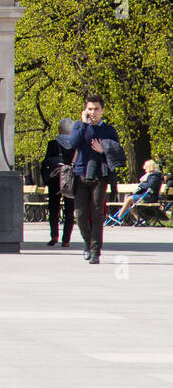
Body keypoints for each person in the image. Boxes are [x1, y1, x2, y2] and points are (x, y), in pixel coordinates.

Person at [68, 94, 124, 264]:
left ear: (102, 110)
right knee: (80, 214)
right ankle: (87, 242)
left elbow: (117, 151)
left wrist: (103, 149)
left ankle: (95, 251)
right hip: (81, 173)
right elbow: (73, 144)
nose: (93, 112)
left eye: (96, 109)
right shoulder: (80, 126)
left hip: (100, 174)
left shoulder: (108, 130)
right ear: (85, 110)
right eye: (89, 109)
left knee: (97, 213)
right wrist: (84, 124)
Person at [40, 119, 76, 247]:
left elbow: (46, 163)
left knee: (53, 208)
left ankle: (54, 235)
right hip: (70, 180)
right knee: (69, 209)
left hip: (55, 179)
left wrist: (45, 179)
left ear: (59, 130)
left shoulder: (52, 144)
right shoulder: (75, 144)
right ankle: (66, 239)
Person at [114, 159, 163, 225]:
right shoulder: (150, 176)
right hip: (145, 195)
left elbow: (150, 186)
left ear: (149, 167)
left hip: (150, 197)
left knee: (129, 199)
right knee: (130, 202)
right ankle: (139, 219)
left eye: (145, 167)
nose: (144, 168)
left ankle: (119, 216)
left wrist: (141, 184)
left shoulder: (155, 176)